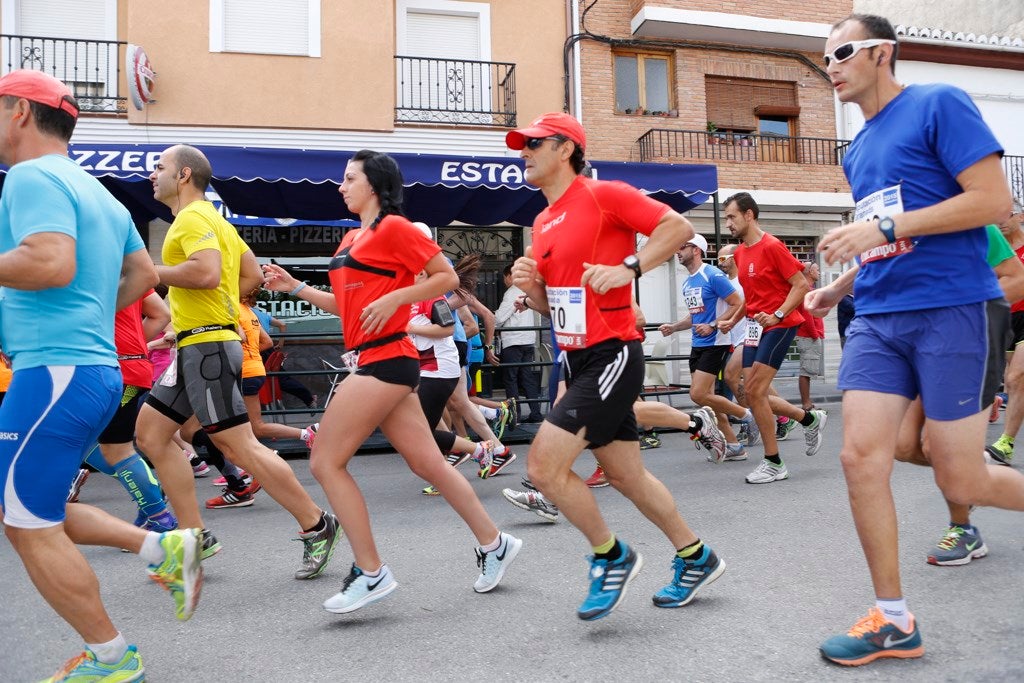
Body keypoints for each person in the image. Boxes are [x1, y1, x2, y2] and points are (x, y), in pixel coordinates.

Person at [806, 14, 1024, 666]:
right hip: (876, 315)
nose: (832, 66)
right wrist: (839, 287)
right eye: (824, 60)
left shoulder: (937, 104)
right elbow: (888, 239)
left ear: (881, 51)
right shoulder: (856, 151)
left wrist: (882, 228)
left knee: (958, 470)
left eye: (841, 52)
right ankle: (893, 618)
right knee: (862, 455)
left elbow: (994, 203)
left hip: (950, 308)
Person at [0, 69, 202, 682]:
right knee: (34, 507)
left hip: (52, 373)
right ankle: (159, 545)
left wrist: (69, 310)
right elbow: (144, 276)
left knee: (26, 524)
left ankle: (112, 658)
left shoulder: (31, 176)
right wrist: (90, 312)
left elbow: (50, 261)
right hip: (93, 371)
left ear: (18, 113)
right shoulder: (98, 191)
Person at [262, 149, 522, 614]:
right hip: (378, 359)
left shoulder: (397, 228)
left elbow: (443, 276)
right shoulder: (349, 240)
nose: (340, 186)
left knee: (324, 460)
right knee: (430, 465)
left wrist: (398, 296)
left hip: (387, 359)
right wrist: (294, 287)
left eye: (348, 178)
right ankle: (495, 542)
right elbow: (348, 307)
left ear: (376, 186)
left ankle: (371, 572)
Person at [508, 112, 725, 620]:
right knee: (628, 476)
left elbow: (678, 226)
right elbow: (554, 305)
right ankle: (696, 555)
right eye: (523, 144)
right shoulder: (541, 222)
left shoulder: (603, 194)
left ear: (566, 149)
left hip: (612, 353)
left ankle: (611, 555)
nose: (525, 152)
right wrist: (530, 286)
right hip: (576, 356)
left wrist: (628, 267)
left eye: (535, 143)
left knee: (542, 467)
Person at [135, 144, 340, 576]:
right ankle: (194, 537)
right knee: (152, 434)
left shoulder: (192, 218)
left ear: (184, 175)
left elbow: (207, 274)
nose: (153, 174)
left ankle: (317, 524)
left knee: (238, 444)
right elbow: (248, 276)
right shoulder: (217, 221)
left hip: (208, 346)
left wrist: (152, 272)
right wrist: (196, 316)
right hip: (196, 341)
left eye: (160, 167)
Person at [725, 192, 827, 484]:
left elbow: (800, 285)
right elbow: (752, 296)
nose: (729, 223)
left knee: (756, 391)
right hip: (754, 327)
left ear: (749, 215)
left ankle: (774, 462)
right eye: (727, 218)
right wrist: (732, 319)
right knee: (750, 391)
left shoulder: (772, 246)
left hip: (780, 325)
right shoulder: (741, 253)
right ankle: (809, 419)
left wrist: (779, 314)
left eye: (732, 216)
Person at [659, 234, 756, 462]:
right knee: (707, 400)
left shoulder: (712, 275)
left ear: (696, 250)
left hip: (716, 343)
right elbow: (695, 316)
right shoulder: (687, 282)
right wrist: (674, 327)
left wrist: (713, 325)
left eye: (682, 247)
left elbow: (738, 303)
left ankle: (745, 414)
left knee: (698, 394)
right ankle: (734, 446)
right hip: (698, 344)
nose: (678, 251)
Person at [988, 201, 1024, 464]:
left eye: (1006, 214)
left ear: (1019, 216)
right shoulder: (993, 251)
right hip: (1004, 319)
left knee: (1015, 378)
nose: (1000, 221)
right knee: (1005, 380)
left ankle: (1006, 443)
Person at [495, 263, 543, 423]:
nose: (504, 281)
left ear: (510, 276)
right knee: (528, 377)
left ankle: (514, 416)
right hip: (528, 340)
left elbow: (500, 318)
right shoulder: (528, 290)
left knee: (511, 378)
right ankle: (536, 414)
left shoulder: (512, 292)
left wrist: (491, 320)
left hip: (513, 340)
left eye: (504, 278)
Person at [795, 261, 826, 412]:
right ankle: (806, 403)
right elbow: (807, 316)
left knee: (807, 370)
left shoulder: (809, 289)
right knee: (806, 371)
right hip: (808, 336)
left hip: (809, 335)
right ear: (809, 272)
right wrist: (815, 335)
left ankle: (807, 402)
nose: (819, 272)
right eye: (817, 269)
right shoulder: (806, 290)